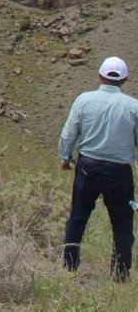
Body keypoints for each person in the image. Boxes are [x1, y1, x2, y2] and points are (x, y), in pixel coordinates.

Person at [59, 56, 138, 282]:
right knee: (122, 225)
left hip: (87, 168)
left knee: (77, 218)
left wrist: (65, 157)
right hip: (119, 173)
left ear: (100, 76)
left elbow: (68, 133)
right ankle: (120, 276)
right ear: (125, 79)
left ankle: (69, 269)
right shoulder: (134, 107)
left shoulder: (83, 100)